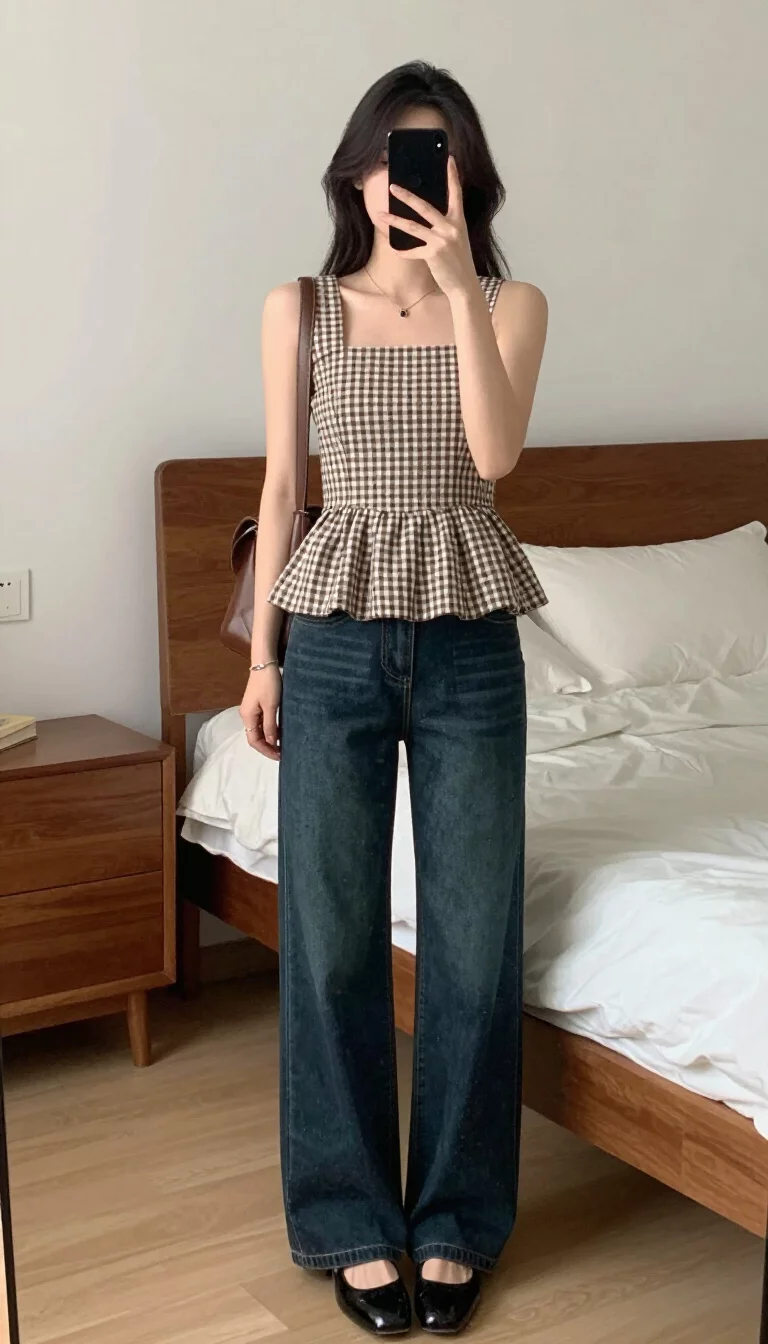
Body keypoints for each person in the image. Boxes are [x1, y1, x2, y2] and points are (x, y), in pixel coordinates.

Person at [240, 59, 548, 1337]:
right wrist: (260, 657)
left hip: (473, 641)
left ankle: (459, 1224)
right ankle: (351, 1221)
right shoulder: (298, 306)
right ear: (352, 171)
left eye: (435, 159)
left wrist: (462, 284)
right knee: (331, 940)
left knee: (475, 945)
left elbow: (495, 455)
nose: (405, 180)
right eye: (389, 155)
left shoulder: (514, 301)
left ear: (465, 180)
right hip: (331, 645)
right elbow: (279, 489)